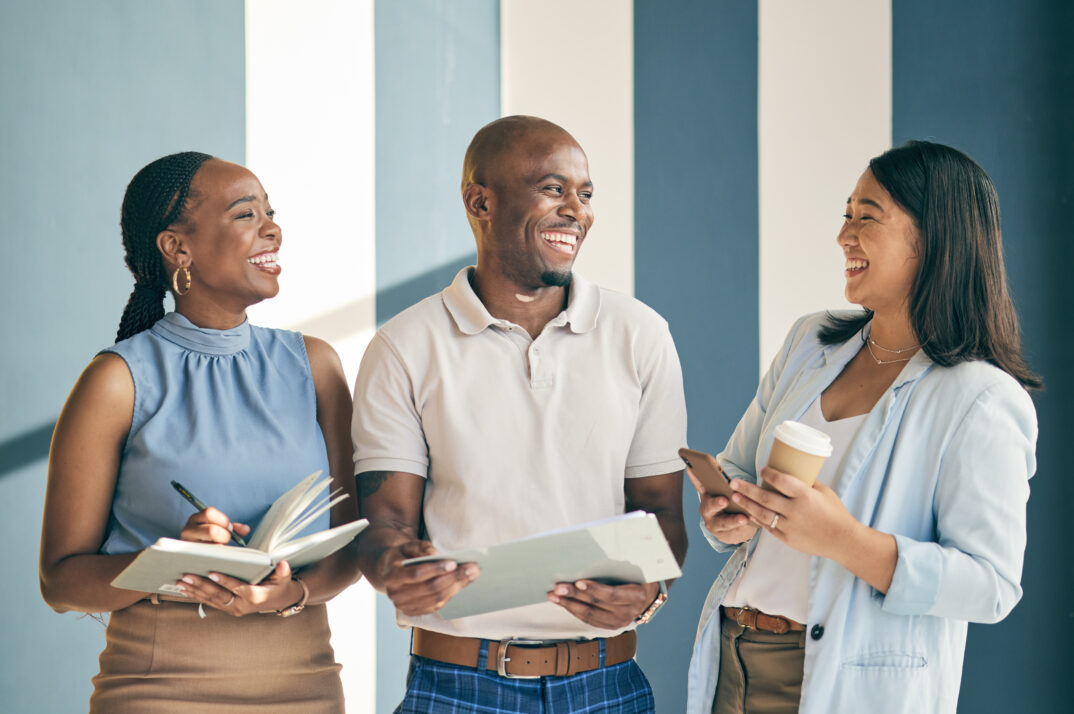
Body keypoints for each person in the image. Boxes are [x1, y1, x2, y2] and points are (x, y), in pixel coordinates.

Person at [685, 140, 1040, 714]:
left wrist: (842, 540)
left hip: (848, 684)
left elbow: (990, 586)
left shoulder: (981, 398)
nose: (843, 236)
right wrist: (727, 513)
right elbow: (738, 468)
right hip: (737, 656)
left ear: (933, 239)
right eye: (845, 215)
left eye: (866, 218)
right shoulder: (810, 340)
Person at [352, 115, 689, 713]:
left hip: (606, 686)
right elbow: (385, 524)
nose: (576, 211)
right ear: (480, 201)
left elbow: (661, 514)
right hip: (455, 687)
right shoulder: (404, 345)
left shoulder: (642, 335)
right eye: (553, 189)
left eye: (585, 195)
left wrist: (648, 593)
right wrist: (394, 566)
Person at [39, 152, 361, 713]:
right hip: (157, 691)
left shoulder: (315, 366)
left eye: (270, 212)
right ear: (177, 248)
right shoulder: (116, 381)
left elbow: (353, 539)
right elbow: (61, 581)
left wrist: (291, 594)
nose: (272, 228)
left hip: (305, 687)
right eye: (244, 214)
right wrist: (170, 560)